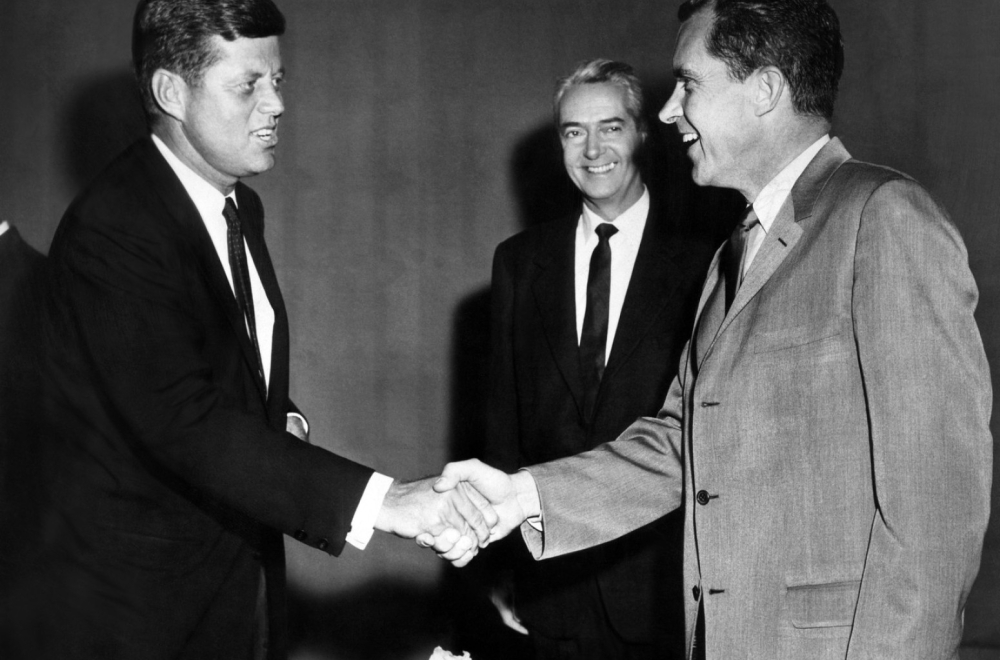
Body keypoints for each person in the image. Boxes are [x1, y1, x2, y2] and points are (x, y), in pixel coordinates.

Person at [433, 0, 993, 658]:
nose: (670, 111)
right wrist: (523, 495)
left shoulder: (884, 218)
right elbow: (680, 443)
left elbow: (936, 516)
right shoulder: (733, 250)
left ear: (765, 90)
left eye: (689, 84)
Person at [33, 1, 491, 658]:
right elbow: (183, 419)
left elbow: (219, 367)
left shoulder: (237, 206)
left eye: (277, 81)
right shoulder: (115, 228)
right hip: (142, 621)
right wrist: (387, 502)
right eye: (248, 85)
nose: (276, 105)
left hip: (236, 596)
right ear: (171, 92)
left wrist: (284, 419)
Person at [482, 59, 712, 659]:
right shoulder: (518, 262)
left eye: (610, 127)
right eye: (573, 132)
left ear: (642, 133)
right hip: (550, 586)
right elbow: (502, 423)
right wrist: (500, 563)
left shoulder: (707, 256)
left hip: (664, 591)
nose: (592, 150)